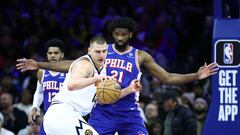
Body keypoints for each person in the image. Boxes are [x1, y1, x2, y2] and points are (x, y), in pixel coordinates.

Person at [16, 17, 218, 134]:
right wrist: (38, 64)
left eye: (124, 34)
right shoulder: (102, 52)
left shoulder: (140, 56)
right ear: (112, 35)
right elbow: (72, 65)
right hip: (102, 111)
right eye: (117, 34)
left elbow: (166, 77)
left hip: (129, 112)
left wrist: (195, 75)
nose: (120, 37)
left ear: (130, 34)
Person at [18, 35, 142, 135]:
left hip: (67, 118)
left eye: (104, 51)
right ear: (89, 50)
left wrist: (130, 89)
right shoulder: (85, 64)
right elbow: (72, 85)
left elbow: (102, 99)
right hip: (63, 114)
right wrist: (95, 79)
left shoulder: (102, 69)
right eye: (97, 51)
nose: (101, 55)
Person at [28, 38, 67, 135]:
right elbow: (40, 91)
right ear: (47, 54)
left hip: (65, 117)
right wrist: (35, 107)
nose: (52, 56)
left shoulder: (69, 72)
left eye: (56, 53)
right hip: (48, 118)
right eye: (50, 53)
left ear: (62, 54)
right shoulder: (42, 72)